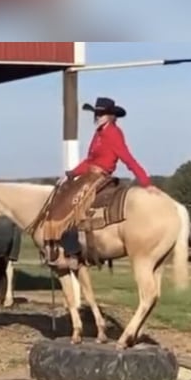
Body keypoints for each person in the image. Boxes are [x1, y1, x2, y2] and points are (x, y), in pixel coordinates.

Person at [47, 97, 158, 270]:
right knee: (63, 196)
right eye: (96, 113)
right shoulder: (98, 133)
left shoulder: (113, 133)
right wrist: (70, 174)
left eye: (102, 114)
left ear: (111, 116)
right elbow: (89, 160)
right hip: (89, 174)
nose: (98, 116)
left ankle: (73, 255)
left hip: (99, 176)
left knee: (72, 206)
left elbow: (128, 158)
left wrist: (146, 182)